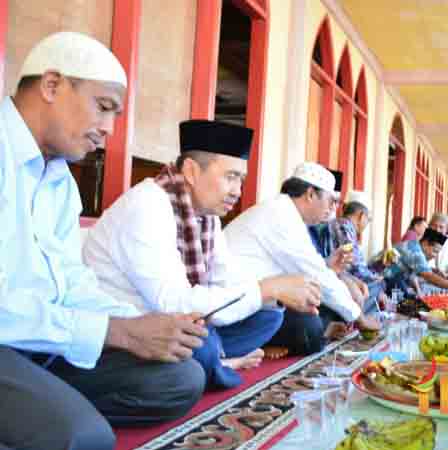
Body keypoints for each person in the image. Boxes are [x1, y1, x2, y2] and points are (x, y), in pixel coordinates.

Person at [0, 32, 207, 450]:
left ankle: (44, 404)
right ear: (52, 85)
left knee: (184, 375)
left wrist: (137, 325)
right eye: (104, 107)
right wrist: (118, 333)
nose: (110, 129)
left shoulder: (59, 181)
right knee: (83, 438)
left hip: (42, 342)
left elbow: (72, 283)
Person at [83, 120, 321, 389]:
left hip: (186, 321)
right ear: (192, 171)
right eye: (230, 177)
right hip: (130, 330)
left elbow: (229, 280)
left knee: (270, 316)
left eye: (240, 180)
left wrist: (277, 294)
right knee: (195, 358)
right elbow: (174, 305)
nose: (237, 191)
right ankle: (219, 362)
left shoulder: (208, 218)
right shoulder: (148, 206)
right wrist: (268, 288)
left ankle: (215, 358)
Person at [224, 163, 380, 356]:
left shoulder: (286, 213)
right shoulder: (281, 216)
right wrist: (360, 318)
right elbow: (317, 275)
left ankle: (320, 329)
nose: (332, 209)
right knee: (311, 331)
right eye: (331, 201)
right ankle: (256, 345)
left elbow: (311, 273)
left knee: (322, 307)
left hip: (265, 301)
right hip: (237, 308)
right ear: (310, 194)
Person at [383, 228, 448, 295]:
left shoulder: (413, 245)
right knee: (403, 296)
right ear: (425, 243)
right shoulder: (416, 252)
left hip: (393, 277)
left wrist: (418, 290)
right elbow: (429, 276)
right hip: (383, 279)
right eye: (434, 251)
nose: (434, 256)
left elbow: (412, 274)